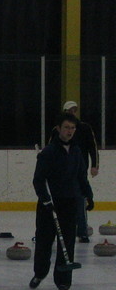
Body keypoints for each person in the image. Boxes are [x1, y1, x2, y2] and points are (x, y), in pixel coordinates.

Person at [31, 115, 93, 290]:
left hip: (70, 202)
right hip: (49, 204)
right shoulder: (48, 152)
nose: (70, 131)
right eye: (67, 127)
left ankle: (63, 279)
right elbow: (38, 180)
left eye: (73, 128)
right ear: (59, 129)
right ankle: (40, 273)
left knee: (67, 241)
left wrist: (88, 194)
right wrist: (45, 199)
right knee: (44, 240)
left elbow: (81, 176)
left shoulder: (76, 151)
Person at [49, 101, 99, 242]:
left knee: (79, 201)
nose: (72, 113)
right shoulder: (56, 130)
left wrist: (95, 165)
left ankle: (82, 232)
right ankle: (53, 232)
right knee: (57, 203)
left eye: (74, 110)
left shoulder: (84, 128)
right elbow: (50, 150)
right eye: (69, 111)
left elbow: (92, 147)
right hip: (60, 173)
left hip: (79, 172)